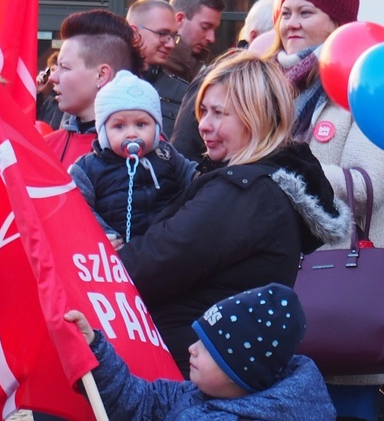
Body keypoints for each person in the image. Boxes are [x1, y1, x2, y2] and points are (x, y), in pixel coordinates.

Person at [116, 52, 350, 376]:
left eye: (218, 113)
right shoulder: (255, 185)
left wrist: (105, 264)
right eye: (203, 111)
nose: (203, 124)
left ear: (255, 118)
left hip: (189, 380)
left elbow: (156, 260)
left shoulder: (244, 192)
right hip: (203, 370)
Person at [266, 0, 384, 421]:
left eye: (306, 12)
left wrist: (278, 165)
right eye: (285, 12)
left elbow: (368, 186)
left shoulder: (370, 87)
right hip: (276, 286)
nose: (291, 23)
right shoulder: (273, 87)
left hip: (342, 300)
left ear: (340, 23)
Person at [65, 282, 336, 420]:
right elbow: (141, 401)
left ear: (238, 369)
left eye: (207, 348)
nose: (191, 350)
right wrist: (95, 350)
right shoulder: (200, 394)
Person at [69, 70, 197, 244]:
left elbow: (193, 178)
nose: (131, 133)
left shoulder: (166, 154)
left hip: (164, 246)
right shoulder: (89, 167)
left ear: (157, 128)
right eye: (119, 126)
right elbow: (76, 206)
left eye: (141, 124)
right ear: (103, 132)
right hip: (118, 253)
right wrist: (103, 234)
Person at [44, 10, 143, 169]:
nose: (52, 78)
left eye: (64, 67)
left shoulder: (145, 149)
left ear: (101, 75)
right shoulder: (46, 148)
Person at [126, 0, 190, 138]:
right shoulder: (101, 85)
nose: (171, 44)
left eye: (173, 36)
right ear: (134, 33)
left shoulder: (184, 94)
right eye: (163, 34)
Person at [164, 0, 225, 82]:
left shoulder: (196, 65)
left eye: (214, 29)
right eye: (205, 27)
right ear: (179, 19)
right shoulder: (155, 66)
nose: (212, 38)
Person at [35, 51, 65, 130]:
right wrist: (37, 92)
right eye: (52, 70)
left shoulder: (73, 99)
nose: (54, 75)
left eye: (59, 70)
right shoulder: (51, 99)